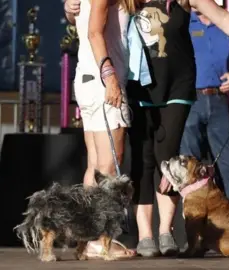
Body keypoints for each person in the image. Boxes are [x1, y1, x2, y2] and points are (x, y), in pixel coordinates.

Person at [126, 0, 229, 257]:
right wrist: (71, 10)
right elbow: (96, 12)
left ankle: (165, 231)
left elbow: (222, 17)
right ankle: (145, 235)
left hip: (178, 84)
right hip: (141, 83)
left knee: (169, 156)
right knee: (144, 158)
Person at [64, 0, 138, 259]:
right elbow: (94, 31)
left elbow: (79, 20)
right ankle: (99, 240)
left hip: (87, 78)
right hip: (101, 82)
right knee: (109, 166)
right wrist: (110, 78)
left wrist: (68, 11)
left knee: (94, 166)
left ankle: (88, 237)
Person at [180, 7, 229, 209]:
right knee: (189, 166)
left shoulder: (228, 23)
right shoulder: (183, 22)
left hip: (219, 101)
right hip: (189, 100)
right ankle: (195, 229)